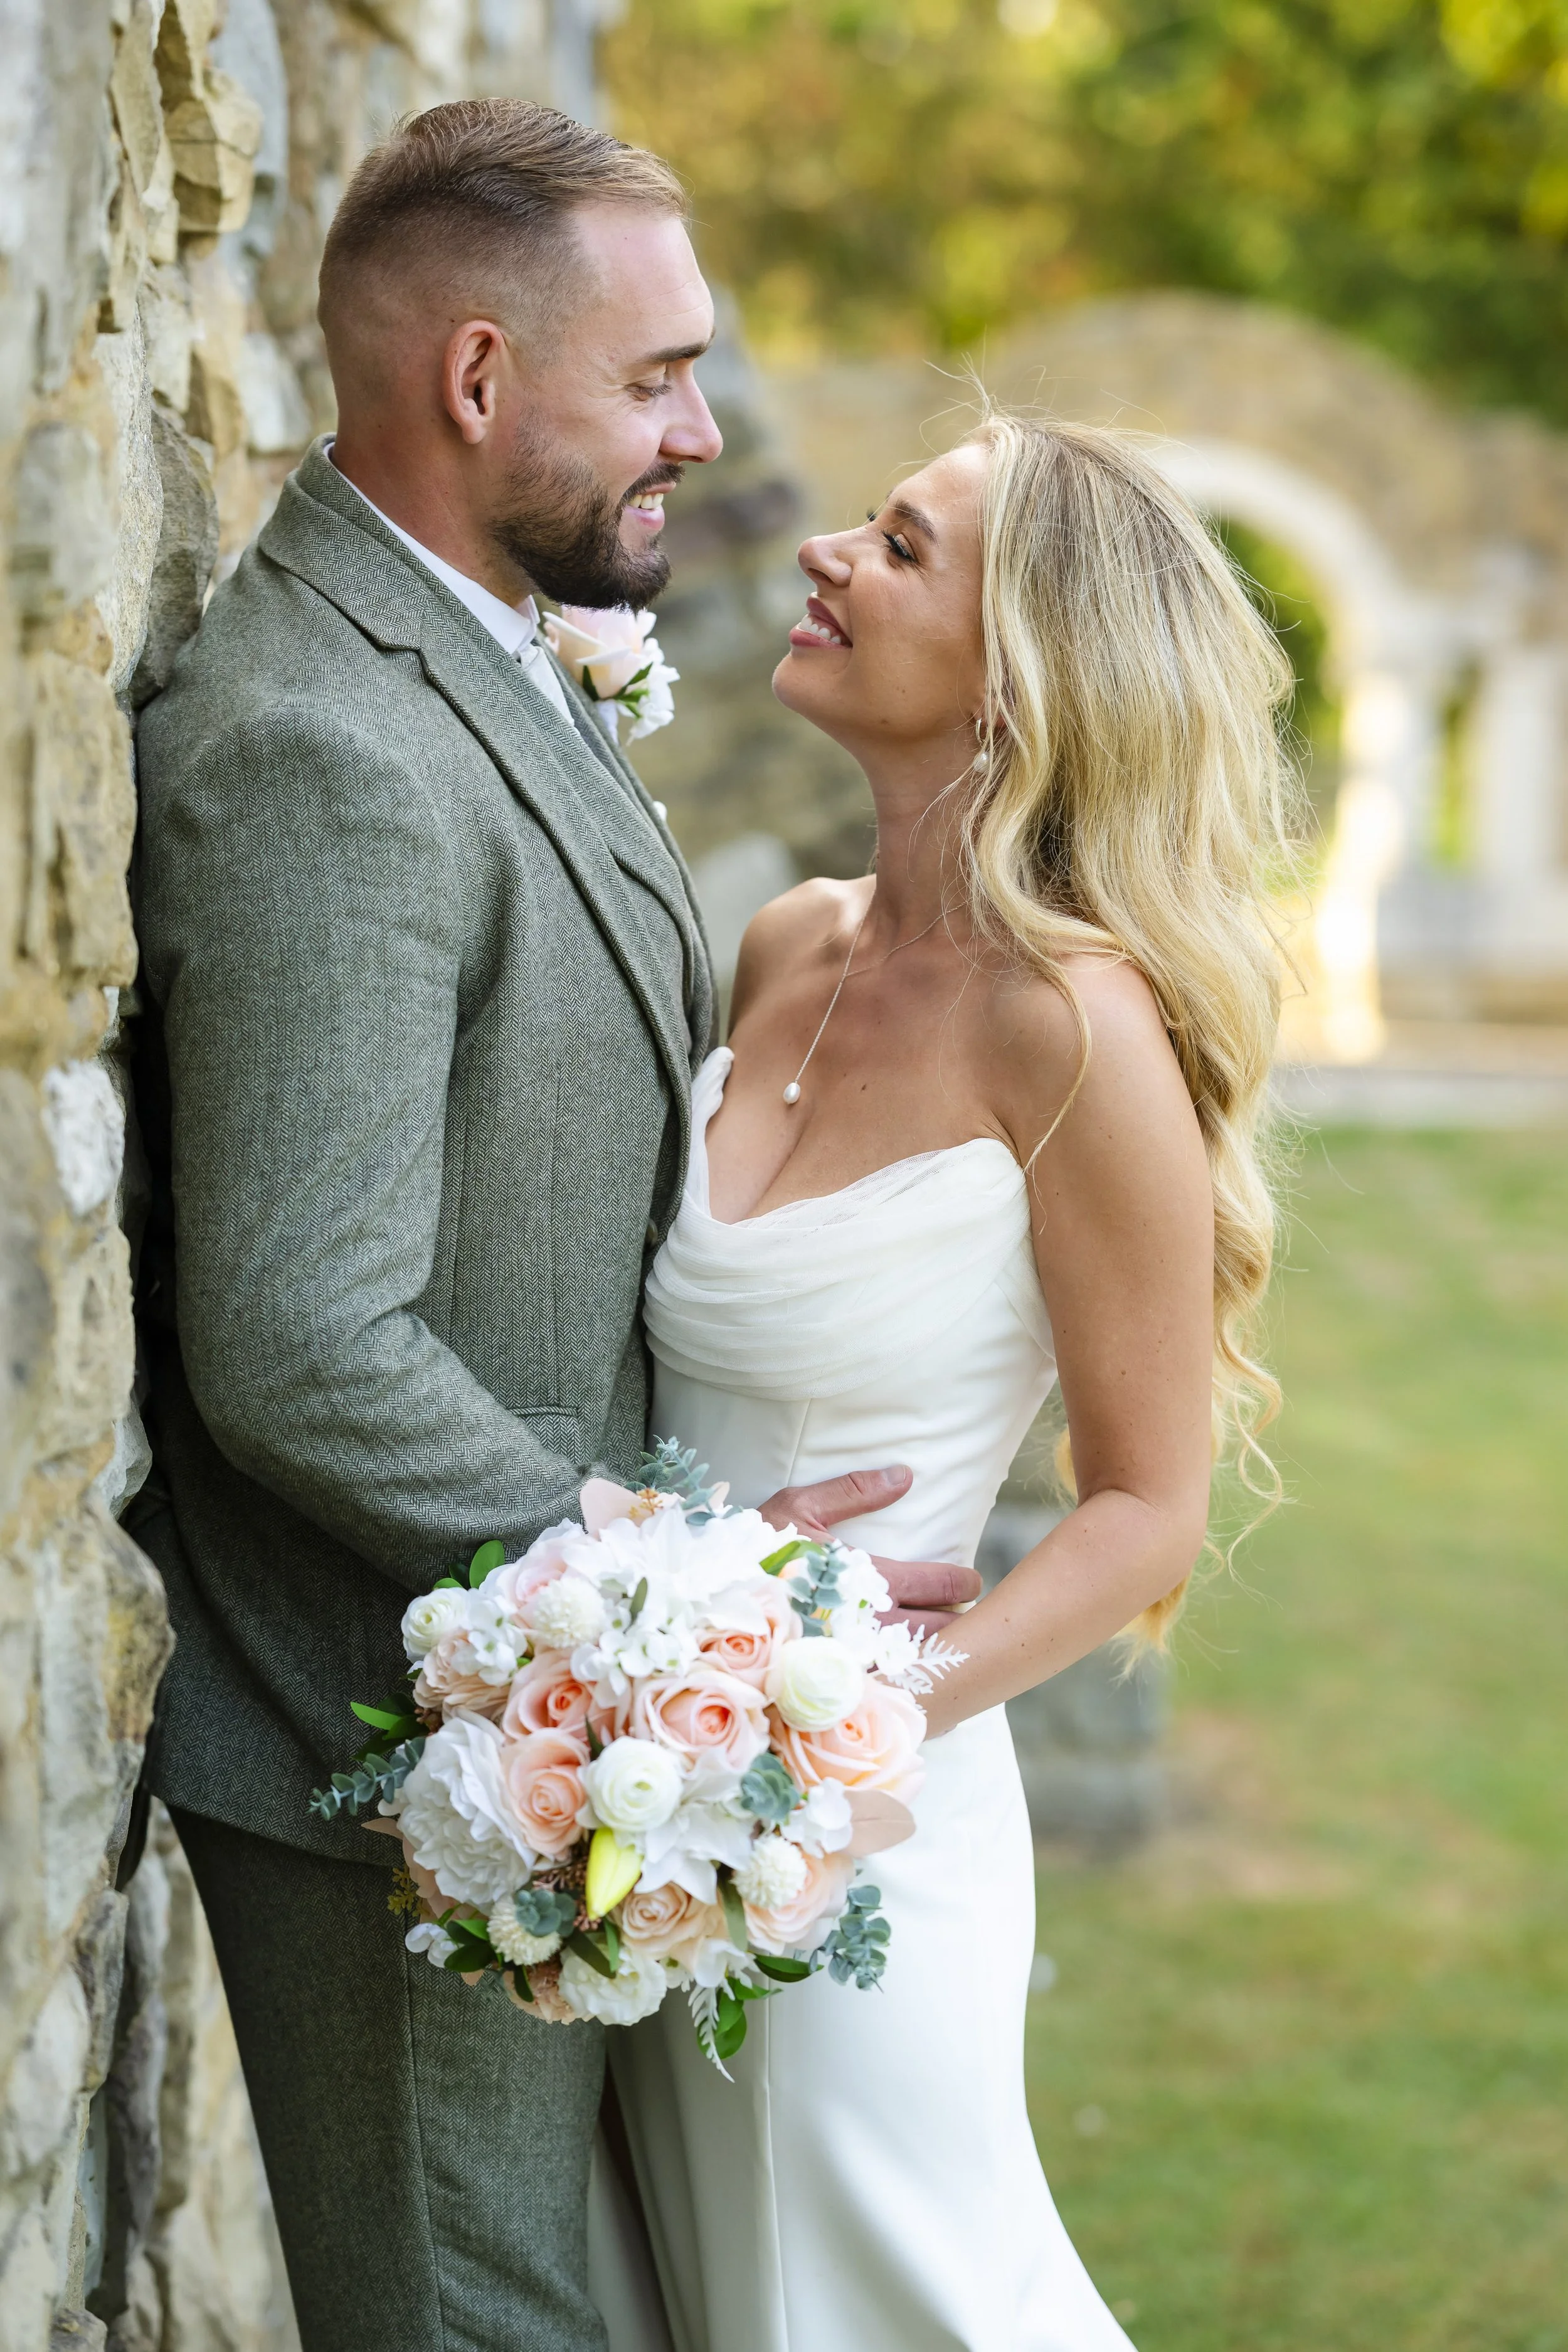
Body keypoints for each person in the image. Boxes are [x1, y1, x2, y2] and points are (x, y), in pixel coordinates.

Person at [129, 101, 972, 2352]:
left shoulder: (494, 641)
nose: (702, 432)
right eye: (657, 378)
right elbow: (304, 1337)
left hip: (565, 1743)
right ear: (480, 383)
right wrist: (688, 1599)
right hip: (408, 1763)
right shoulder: (326, 744)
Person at [602, 415, 1291, 2348]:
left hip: (857, 1840)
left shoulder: (1067, 1025)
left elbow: (1146, 1498)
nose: (822, 547)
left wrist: (844, 1712)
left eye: (896, 544)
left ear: (1016, 682)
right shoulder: (782, 943)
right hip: (629, 1794)